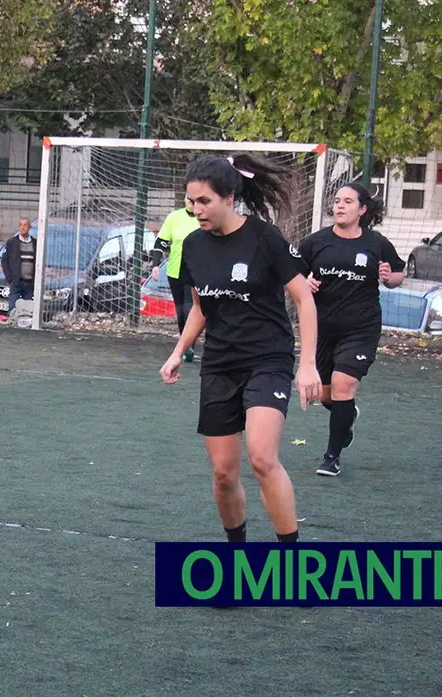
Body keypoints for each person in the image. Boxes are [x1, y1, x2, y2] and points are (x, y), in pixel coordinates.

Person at [159, 154, 322, 544]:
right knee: (223, 474)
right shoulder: (194, 246)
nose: (196, 210)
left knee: (263, 458)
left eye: (204, 202)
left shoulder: (264, 238)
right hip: (219, 365)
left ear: (229, 197)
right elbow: (200, 308)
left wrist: (309, 364)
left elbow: (304, 300)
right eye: (191, 202)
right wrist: (178, 351)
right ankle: (237, 557)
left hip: (268, 360)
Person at [298, 182, 404, 477]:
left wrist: (389, 277)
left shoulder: (376, 243)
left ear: (362, 209)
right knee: (327, 395)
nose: (340, 206)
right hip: (320, 330)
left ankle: (331, 457)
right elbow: (291, 275)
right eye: (337, 201)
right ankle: (347, 416)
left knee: (344, 386)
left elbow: (398, 274)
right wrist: (303, 282)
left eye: (348, 201)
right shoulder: (315, 242)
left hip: (361, 329)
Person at [149, 201, 200, 361]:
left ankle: (189, 346)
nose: (192, 203)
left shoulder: (204, 217)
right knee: (180, 312)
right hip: (175, 272)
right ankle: (186, 347)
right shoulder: (174, 217)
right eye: (189, 199)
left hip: (197, 273)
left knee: (189, 308)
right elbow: (161, 242)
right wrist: (155, 265)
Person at [0, 217, 37, 307]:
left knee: (27, 308)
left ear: (29, 227)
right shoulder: (12, 242)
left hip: (29, 283)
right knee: (13, 307)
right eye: (20, 225)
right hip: (16, 282)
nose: (23, 227)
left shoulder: (35, 243)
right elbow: (4, 261)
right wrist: (10, 278)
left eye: (25, 225)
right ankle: (12, 320)